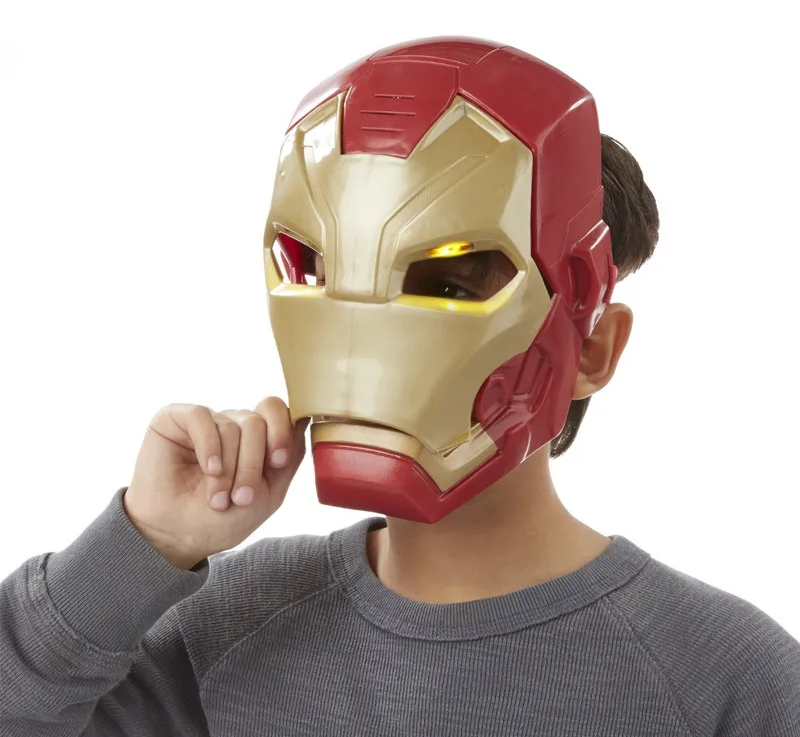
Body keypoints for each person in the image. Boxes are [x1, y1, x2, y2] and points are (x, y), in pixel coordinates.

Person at [1, 37, 798, 736]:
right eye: (319, 269)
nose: (364, 334)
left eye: (446, 282)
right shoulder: (224, 632)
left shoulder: (725, 678)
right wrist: (146, 543)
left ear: (591, 347)